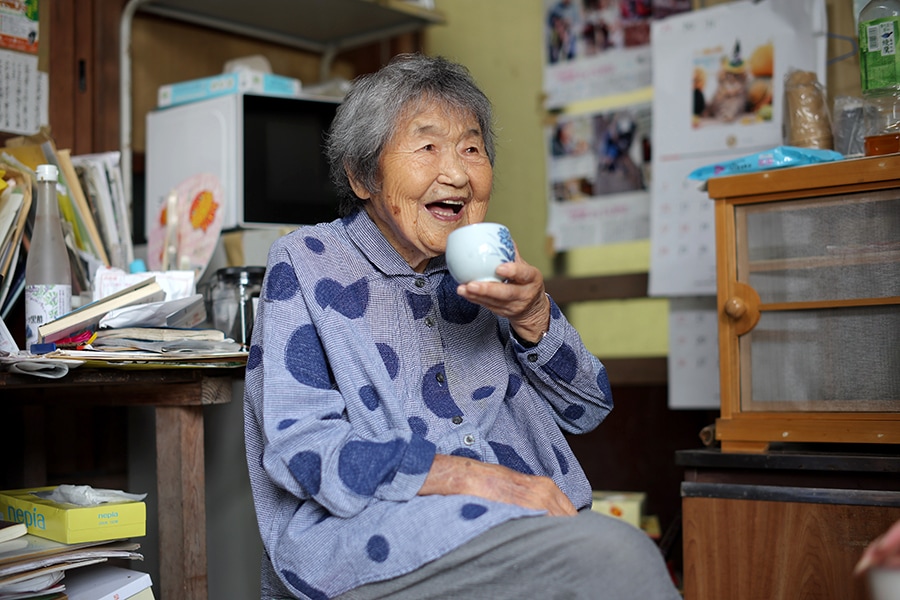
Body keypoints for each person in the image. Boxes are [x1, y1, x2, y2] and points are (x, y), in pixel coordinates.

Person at [244, 53, 680, 600]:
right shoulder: (308, 260)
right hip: (375, 537)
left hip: (519, 526)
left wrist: (532, 315)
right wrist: (477, 478)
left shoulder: (482, 272)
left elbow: (588, 408)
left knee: (613, 555)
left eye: (471, 148)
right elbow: (301, 450)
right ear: (362, 176)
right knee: (619, 555)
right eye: (427, 147)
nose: (456, 172)